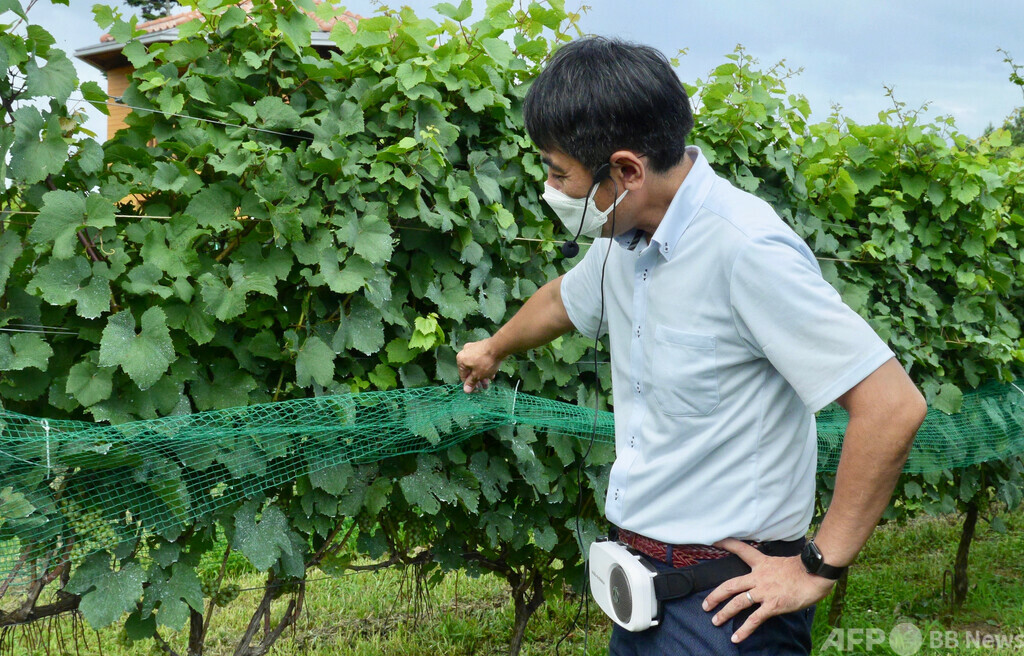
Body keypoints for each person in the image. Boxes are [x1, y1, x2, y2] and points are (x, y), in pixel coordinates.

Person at [455, 37, 927, 655]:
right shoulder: (626, 238)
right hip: (641, 590)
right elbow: (563, 301)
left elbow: (892, 405)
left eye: (559, 171)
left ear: (625, 171)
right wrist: (493, 347)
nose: (553, 188)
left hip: (727, 611)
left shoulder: (746, 250)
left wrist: (817, 569)